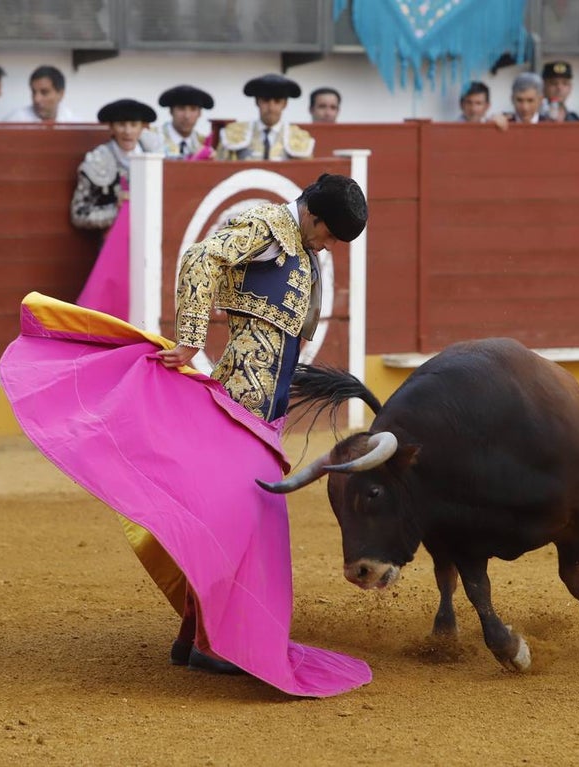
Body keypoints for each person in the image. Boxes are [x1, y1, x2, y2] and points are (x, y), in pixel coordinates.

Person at [157, 173, 368, 672]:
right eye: (332, 234)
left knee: (239, 522)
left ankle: (194, 638)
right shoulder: (269, 224)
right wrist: (190, 340)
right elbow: (199, 257)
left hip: (264, 407)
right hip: (241, 403)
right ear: (313, 216)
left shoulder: (297, 241)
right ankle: (211, 644)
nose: (331, 246)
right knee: (238, 521)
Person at [70, 98, 159, 231]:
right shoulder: (97, 161)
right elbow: (79, 214)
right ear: (111, 128)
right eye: (121, 124)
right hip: (114, 239)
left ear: (142, 128)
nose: (127, 131)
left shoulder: (154, 156)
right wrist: (115, 210)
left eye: (134, 124)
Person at [218, 73, 314, 161]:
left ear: (285, 104)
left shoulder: (299, 137)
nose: (271, 108)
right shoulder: (233, 133)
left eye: (277, 101)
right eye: (265, 100)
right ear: (257, 102)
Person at [155, 84, 215, 159]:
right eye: (181, 108)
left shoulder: (202, 143)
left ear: (199, 113)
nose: (187, 116)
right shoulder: (154, 139)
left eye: (193, 109)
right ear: (171, 111)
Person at [5, 65, 78, 123]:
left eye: (44, 92)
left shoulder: (74, 125)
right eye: (34, 92)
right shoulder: (15, 122)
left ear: (60, 94)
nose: (37, 99)